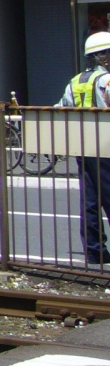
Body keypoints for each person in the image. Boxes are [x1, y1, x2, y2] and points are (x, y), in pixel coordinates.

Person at [56, 31, 110, 267]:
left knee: (90, 199)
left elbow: (60, 107)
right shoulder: (106, 81)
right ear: (103, 56)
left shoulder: (75, 81)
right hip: (107, 147)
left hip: (84, 147)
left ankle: (95, 251)